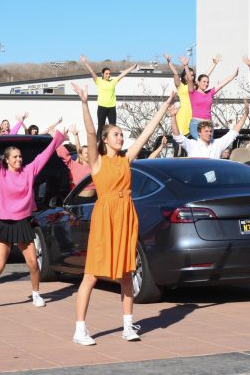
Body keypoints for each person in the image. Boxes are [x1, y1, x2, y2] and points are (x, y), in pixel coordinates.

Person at [71, 82, 175, 346]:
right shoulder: (97, 161)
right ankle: (80, 329)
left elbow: (148, 131)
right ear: (106, 140)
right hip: (105, 216)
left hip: (126, 215)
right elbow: (90, 130)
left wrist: (165, 105)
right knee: (92, 274)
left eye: (121, 134)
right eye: (116, 134)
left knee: (127, 272)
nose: (121, 137)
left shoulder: (126, 159)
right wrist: (84, 102)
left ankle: (128, 326)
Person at [0, 117, 65, 311]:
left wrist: (58, 139)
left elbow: (44, 155)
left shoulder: (28, 171)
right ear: (6, 160)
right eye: (14, 157)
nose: (19, 159)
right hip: (3, 223)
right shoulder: (0, 173)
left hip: (22, 222)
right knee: (0, 264)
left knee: (33, 264)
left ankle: (36, 294)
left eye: (20, 156)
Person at [79, 55, 137, 140]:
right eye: (106, 74)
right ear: (102, 74)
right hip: (102, 107)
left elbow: (123, 74)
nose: (108, 75)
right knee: (101, 126)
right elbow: (91, 71)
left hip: (111, 107)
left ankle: (112, 143)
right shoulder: (99, 81)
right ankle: (98, 143)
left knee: (113, 127)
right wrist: (85, 62)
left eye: (109, 74)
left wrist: (132, 67)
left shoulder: (113, 81)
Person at [183, 57, 238, 141]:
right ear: (198, 82)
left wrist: (233, 75)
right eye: (204, 82)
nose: (206, 84)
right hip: (196, 124)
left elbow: (222, 84)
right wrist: (186, 65)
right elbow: (190, 79)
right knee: (201, 143)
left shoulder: (210, 93)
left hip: (208, 124)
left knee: (208, 147)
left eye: (207, 82)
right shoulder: (193, 92)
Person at [164, 54, 220, 136]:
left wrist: (214, 64)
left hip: (194, 114)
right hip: (183, 114)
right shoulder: (180, 85)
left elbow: (206, 75)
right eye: (189, 74)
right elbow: (175, 74)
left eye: (193, 74)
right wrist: (169, 62)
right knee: (181, 137)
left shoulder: (195, 86)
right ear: (184, 74)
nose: (191, 76)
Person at [170, 100, 249, 159]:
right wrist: (173, 117)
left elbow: (233, 133)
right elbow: (177, 136)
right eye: (206, 131)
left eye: (210, 131)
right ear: (199, 133)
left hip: (214, 179)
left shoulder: (217, 144)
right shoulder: (192, 144)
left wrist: (245, 116)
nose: (209, 133)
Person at [56, 123, 92, 191]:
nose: (88, 155)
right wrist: (58, 139)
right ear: (81, 155)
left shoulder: (95, 166)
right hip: (77, 199)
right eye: (86, 153)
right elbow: (78, 151)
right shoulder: (75, 165)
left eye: (90, 153)